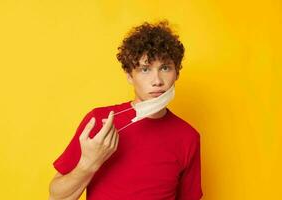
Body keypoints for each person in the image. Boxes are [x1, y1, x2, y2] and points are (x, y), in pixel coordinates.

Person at [49, 20, 203, 200]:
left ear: (177, 73)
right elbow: (56, 197)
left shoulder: (188, 137)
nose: (157, 81)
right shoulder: (99, 122)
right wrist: (89, 163)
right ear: (130, 75)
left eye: (165, 68)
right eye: (145, 69)